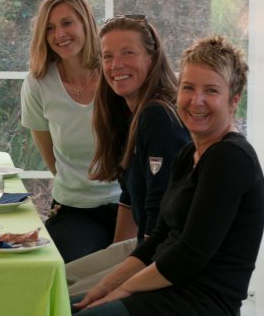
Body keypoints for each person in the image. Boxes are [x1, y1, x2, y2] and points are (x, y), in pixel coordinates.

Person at [72, 35, 264, 316]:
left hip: (197, 308)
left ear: (234, 100)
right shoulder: (188, 154)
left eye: (211, 90)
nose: (196, 100)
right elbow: (159, 238)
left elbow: (189, 254)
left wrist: (121, 291)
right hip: (165, 293)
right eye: (188, 87)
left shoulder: (231, 157)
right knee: (56, 309)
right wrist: (103, 287)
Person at [64, 15, 190, 294]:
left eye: (128, 53)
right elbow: (130, 198)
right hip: (143, 245)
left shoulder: (158, 117)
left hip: (162, 256)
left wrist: (118, 284)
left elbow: (161, 217)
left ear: (152, 58)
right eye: (107, 56)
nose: (115, 65)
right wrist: (114, 254)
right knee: (53, 278)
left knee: (63, 296)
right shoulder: (128, 113)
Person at [21, 0, 121, 263]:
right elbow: (51, 159)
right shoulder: (38, 83)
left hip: (127, 205)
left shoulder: (115, 74)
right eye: (50, 28)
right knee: (69, 274)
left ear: (85, 23)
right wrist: (79, 188)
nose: (59, 34)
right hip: (75, 210)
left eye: (67, 23)